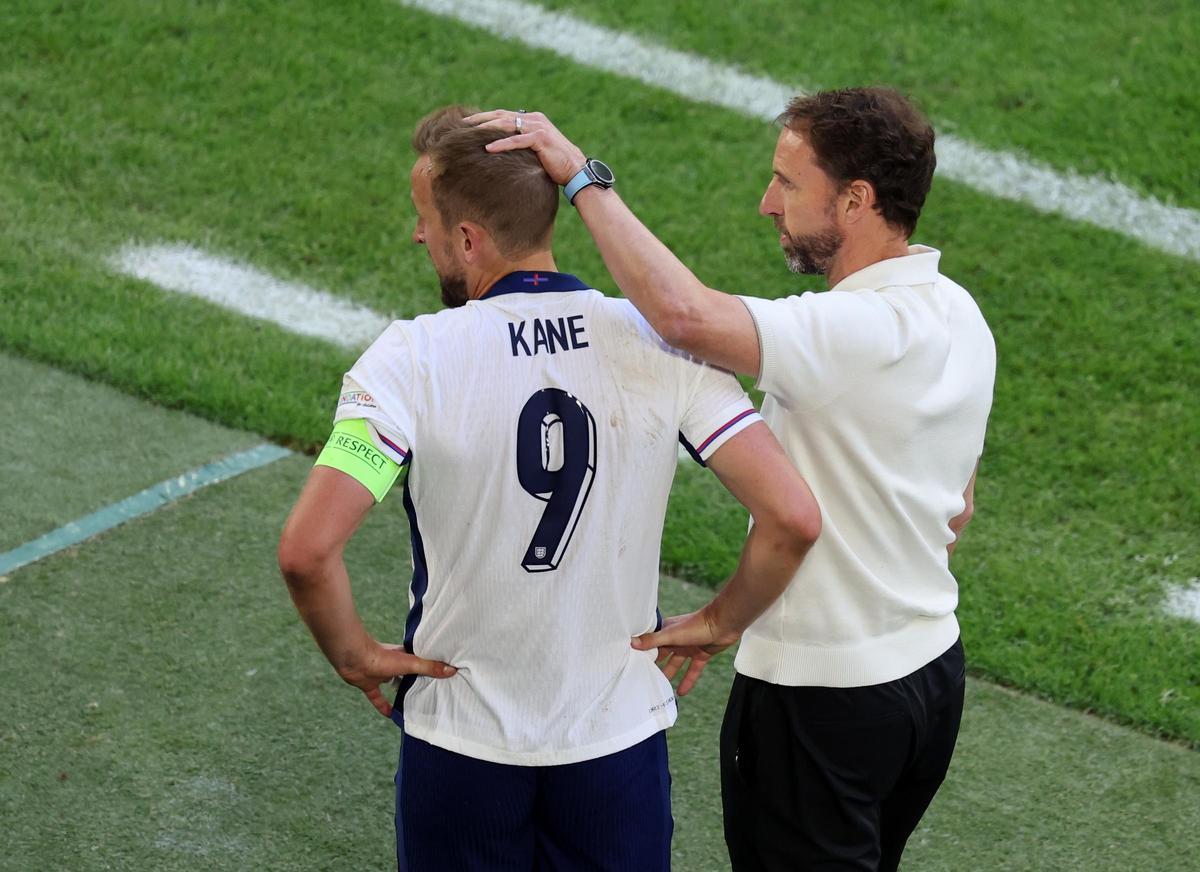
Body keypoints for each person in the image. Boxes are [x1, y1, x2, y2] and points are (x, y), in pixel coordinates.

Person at [277, 105, 822, 872]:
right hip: (616, 746)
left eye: (423, 218)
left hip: (461, 744)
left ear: (468, 237)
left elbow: (307, 551)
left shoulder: (408, 360)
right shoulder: (661, 344)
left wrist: (354, 654)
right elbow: (792, 517)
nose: (416, 235)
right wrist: (723, 621)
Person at [472, 86, 996, 871]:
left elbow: (684, 316)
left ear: (855, 200)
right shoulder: (961, 316)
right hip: (927, 682)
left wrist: (582, 178)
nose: (765, 203)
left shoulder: (853, 330)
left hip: (824, 701)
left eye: (788, 184)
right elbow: (957, 510)